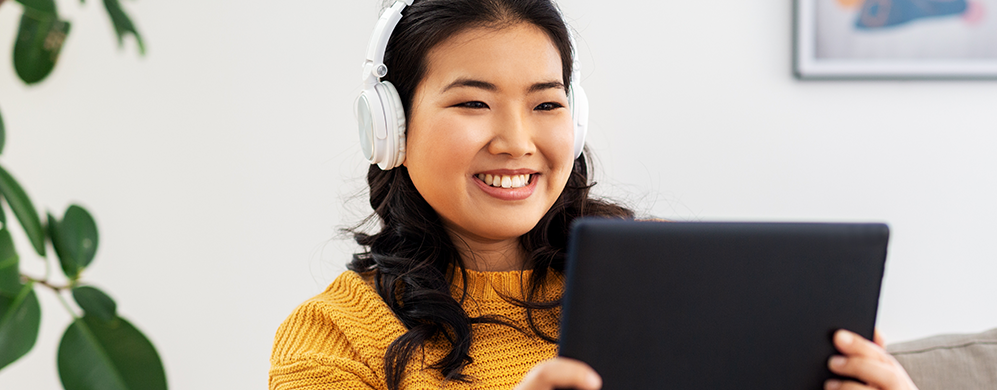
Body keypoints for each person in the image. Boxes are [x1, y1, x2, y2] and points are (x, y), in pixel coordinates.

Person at [269, 1, 921, 389]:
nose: (517, 141)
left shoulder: (669, 275)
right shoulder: (333, 336)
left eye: (545, 103)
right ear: (392, 128)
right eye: (473, 102)